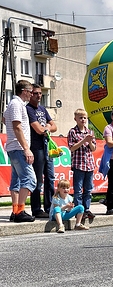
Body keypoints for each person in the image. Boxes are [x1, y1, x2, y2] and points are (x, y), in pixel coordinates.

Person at [4, 80, 37, 222]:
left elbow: (5, 118)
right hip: (18, 147)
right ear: (24, 91)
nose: (31, 94)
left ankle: (15, 211)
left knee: (16, 181)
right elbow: (17, 126)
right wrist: (26, 149)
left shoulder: (12, 104)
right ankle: (20, 212)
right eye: (30, 92)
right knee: (30, 179)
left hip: (13, 147)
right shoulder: (17, 104)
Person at [26, 84, 56, 218]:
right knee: (38, 180)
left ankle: (49, 207)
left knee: (50, 178)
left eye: (40, 93)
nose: (39, 96)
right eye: (35, 93)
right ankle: (37, 209)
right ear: (30, 94)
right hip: (36, 147)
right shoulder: (28, 109)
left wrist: (47, 128)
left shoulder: (43, 109)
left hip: (47, 147)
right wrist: (46, 128)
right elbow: (38, 129)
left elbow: (54, 126)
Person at [67, 108, 97, 220]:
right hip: (78, 164)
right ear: (75, 119)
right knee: (78, 189)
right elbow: (72, 147)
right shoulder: (72, 132)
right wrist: (84, 140)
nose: (83, 119)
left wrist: (89, 141)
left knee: (88, 189)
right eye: (80, 118)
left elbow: (93, 149)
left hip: (89, 164)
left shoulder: (90, 132)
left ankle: (87, 208)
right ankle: (79, 210)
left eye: (84, 117)